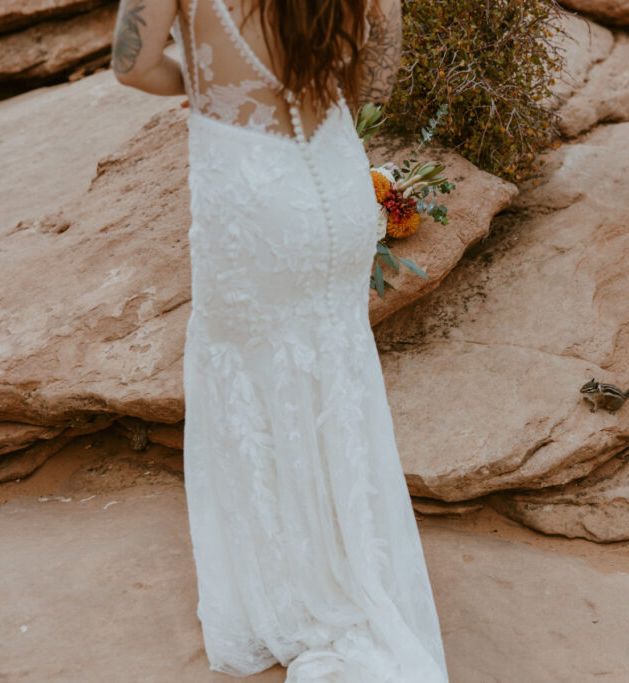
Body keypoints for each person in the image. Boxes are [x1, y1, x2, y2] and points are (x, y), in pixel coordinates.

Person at [110, 1, 449, 680]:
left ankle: (299, 587)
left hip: (250, 193)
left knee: (247, 374)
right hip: (334, 179)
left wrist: (203, 84)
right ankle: (357, 567)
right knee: (334, 369)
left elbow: (132, 63)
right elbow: (385, 42)